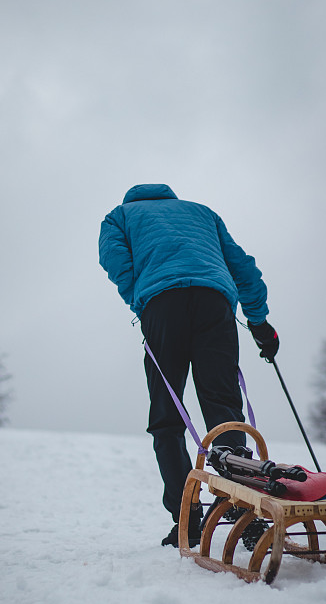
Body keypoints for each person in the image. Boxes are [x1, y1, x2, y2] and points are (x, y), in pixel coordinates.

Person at [99, 183, 279, 547]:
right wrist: (259, 323)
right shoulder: (202, 213)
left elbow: (115, 261)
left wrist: (141, 298)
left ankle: (188, 517)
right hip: (215, 303)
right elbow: (242, 268)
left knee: (167, 416)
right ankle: (241, 505)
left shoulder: (119, 217)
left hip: (162, 305)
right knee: (224, 405)